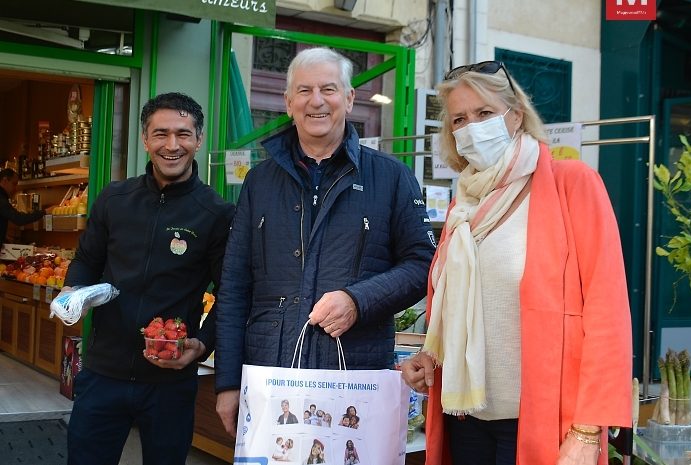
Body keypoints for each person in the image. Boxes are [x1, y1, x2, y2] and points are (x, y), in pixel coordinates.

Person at [400, 61, 632, 465]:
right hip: (464, 419)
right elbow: (461, 308)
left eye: (484, 113)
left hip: (540, 423)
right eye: (459, 118)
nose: (472, 126)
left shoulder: (571, 184)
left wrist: (588, 429)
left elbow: (607, 313)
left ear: (516, 115)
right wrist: (432, 357)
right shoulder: (463, 205)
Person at [215, 46, 435, 435]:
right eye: (304, 91)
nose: (316, 101)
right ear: (288, 103)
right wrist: (228, 382)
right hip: (272, 373)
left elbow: (422, 265)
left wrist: (358, 300)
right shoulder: (259, 182)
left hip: (354, 374)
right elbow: (234, 286)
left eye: (329, 89)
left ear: (349, 98)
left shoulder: (392, 178)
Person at [64, 92, 236, 465]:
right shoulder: (114, 199)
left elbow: (232, 294)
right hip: (103, 372)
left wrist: (202, 344)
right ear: (145, 139)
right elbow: (86, 262)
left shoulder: (216, 213)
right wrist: (70, 294)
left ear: (199, 138)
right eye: (160, 134)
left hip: (170, 382)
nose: (172, 146)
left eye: (183, 134)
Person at [0, 168, 45, 248]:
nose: (15, 188)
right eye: (14, 184)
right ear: (5, 180)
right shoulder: (1, 199)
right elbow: (19, 219)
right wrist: (45, 212)